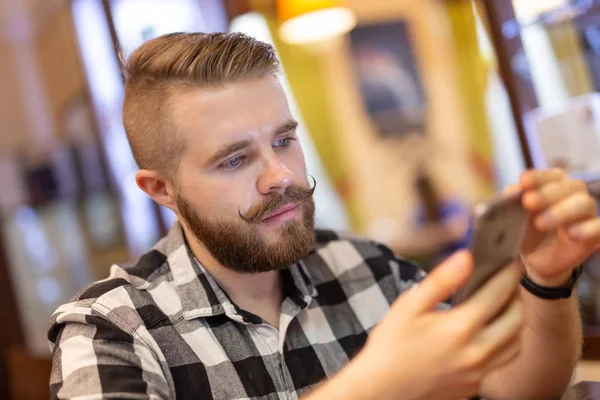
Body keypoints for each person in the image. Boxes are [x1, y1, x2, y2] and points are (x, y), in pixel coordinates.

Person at [48, 32, 600, 400]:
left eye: (284, 140)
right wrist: (372, 388)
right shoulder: (111, 331)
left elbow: (516, 389)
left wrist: (546, 279)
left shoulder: (370, 269)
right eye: (235, 159)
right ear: (161, 188)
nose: (280, 176)